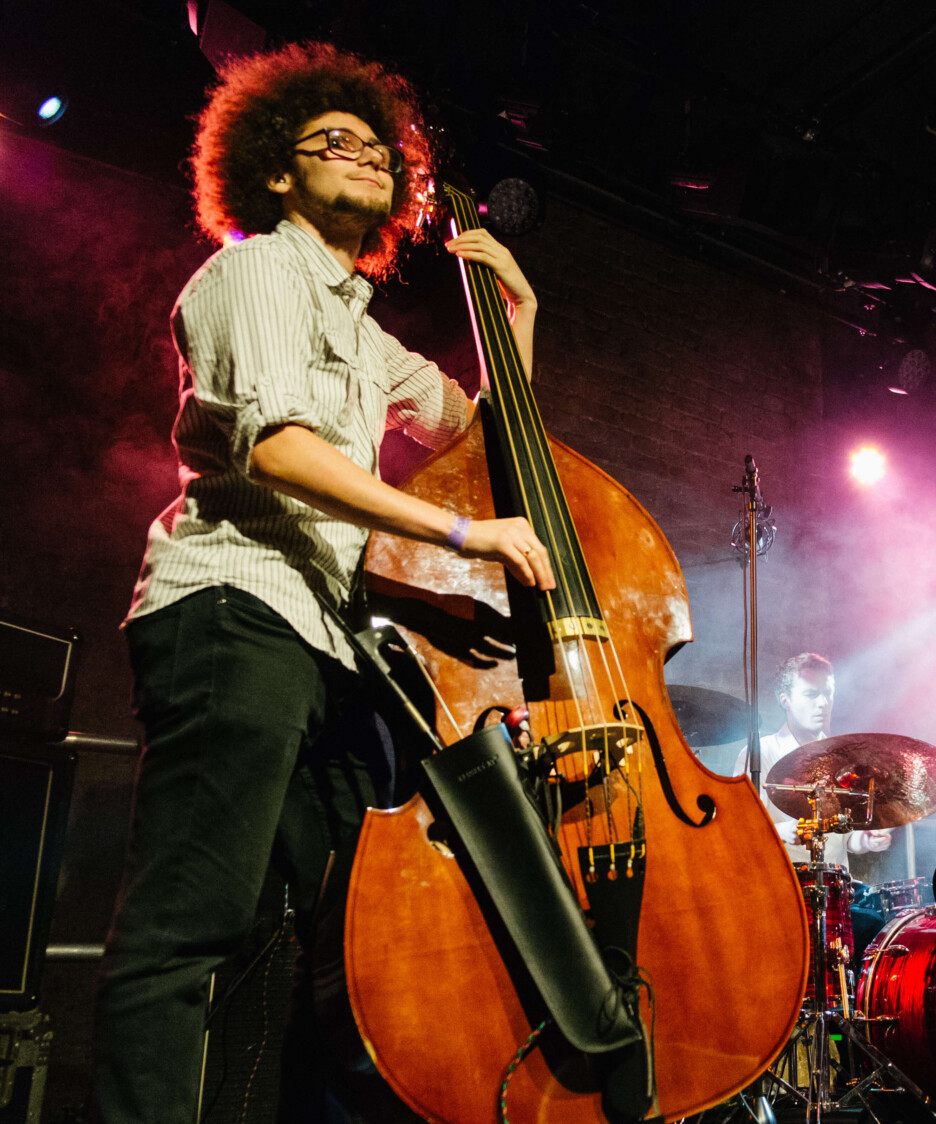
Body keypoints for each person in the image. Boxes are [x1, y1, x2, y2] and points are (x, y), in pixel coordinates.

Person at [97, 43, 551, 1124]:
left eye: (378, 147)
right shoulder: (255, 270)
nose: (367, 157)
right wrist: (458, 530)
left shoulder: (361, 325)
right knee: (190, 923)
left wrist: (517, 320)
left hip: (329, 643)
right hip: (235, 604)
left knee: (337, 941)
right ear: (275, 171)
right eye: (331, 141)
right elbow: (281, 449)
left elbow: (488, 443)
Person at [734, 653, 893, 867]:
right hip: (779, 884)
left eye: (828, 693)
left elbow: (848, 839)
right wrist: (779, 831)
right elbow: (738, 827)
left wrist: (867, 841)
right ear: (785, 701)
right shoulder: (758, 753)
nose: (823, 703)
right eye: (811, 694)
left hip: (835, 889)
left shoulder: (845, 759)